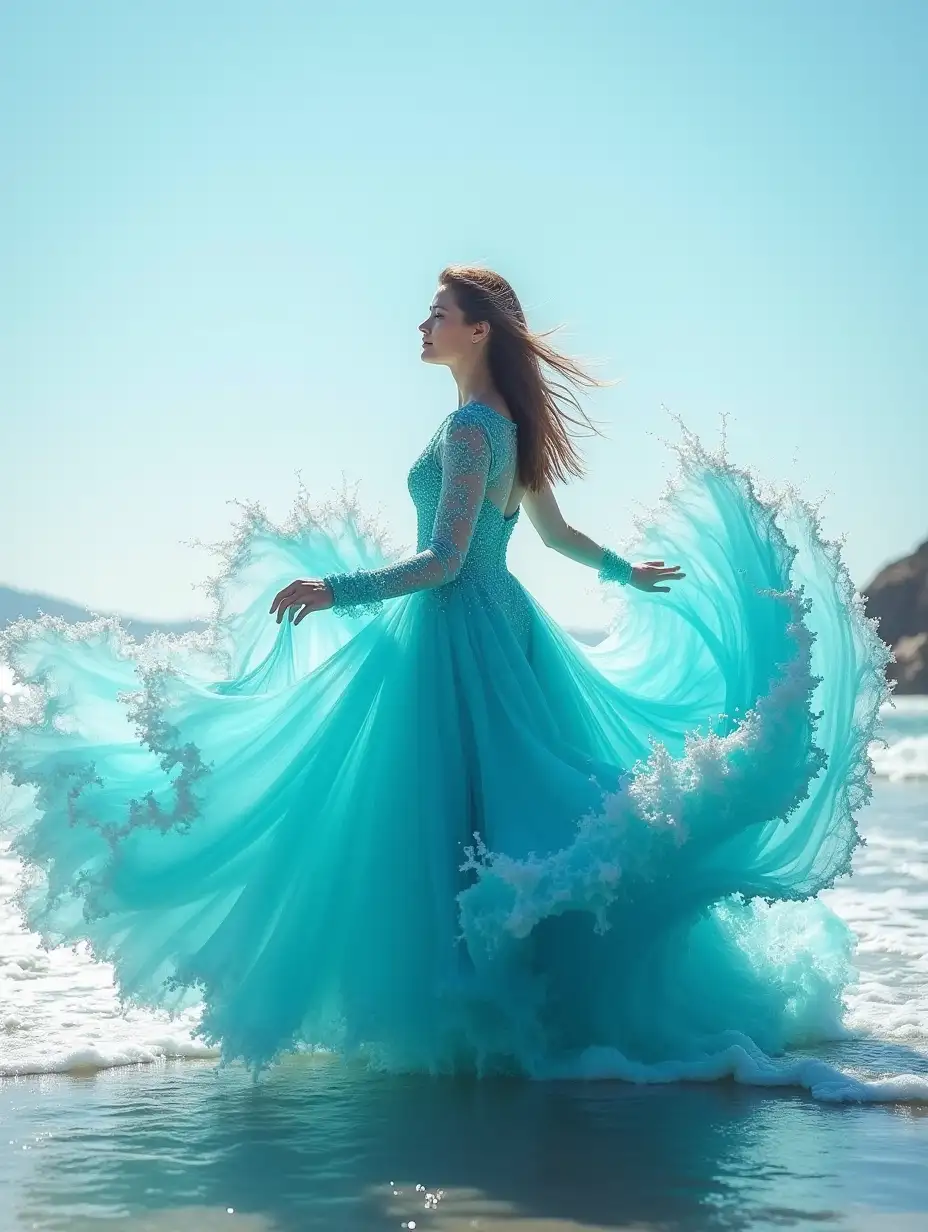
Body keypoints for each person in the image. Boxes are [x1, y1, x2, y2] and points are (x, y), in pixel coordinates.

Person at [0, 265, 889, 1084]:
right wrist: (625, 572)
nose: (420, 323)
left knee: (449, 826)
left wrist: (332, 588)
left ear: (478, 329)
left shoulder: (473, 428)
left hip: (460, 634)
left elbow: (444, 561)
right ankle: (511, 1024)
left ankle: (475, 1025)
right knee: (488, 824)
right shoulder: (504, 420)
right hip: (500, 630)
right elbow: (554, 538)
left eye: (436, 312)